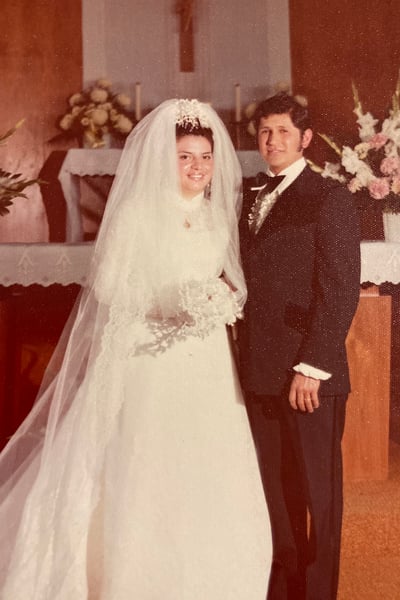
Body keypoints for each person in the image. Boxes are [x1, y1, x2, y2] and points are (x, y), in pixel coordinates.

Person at [0, 99, 272, 599]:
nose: (197, 168)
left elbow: (229, 278)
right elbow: (108, 285)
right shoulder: (137, 213)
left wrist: (219, 299)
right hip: (150, 354)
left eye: (205, 157)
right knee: (150, 458)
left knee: (208, 457)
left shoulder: (217, 218)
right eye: (186, 157)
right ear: (163, 160)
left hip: (207, 358)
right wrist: (168, 304)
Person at [239, 92, 361, 600]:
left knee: (317, 495)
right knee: (274, 491)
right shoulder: (245, 194)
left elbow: (340, 289)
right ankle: (282, 590)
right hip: (258, 369)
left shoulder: (329, 197)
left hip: (308, 372)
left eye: (284, 132)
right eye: (266, 132)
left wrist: (311, 366)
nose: (273, 141)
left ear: (306, 138)